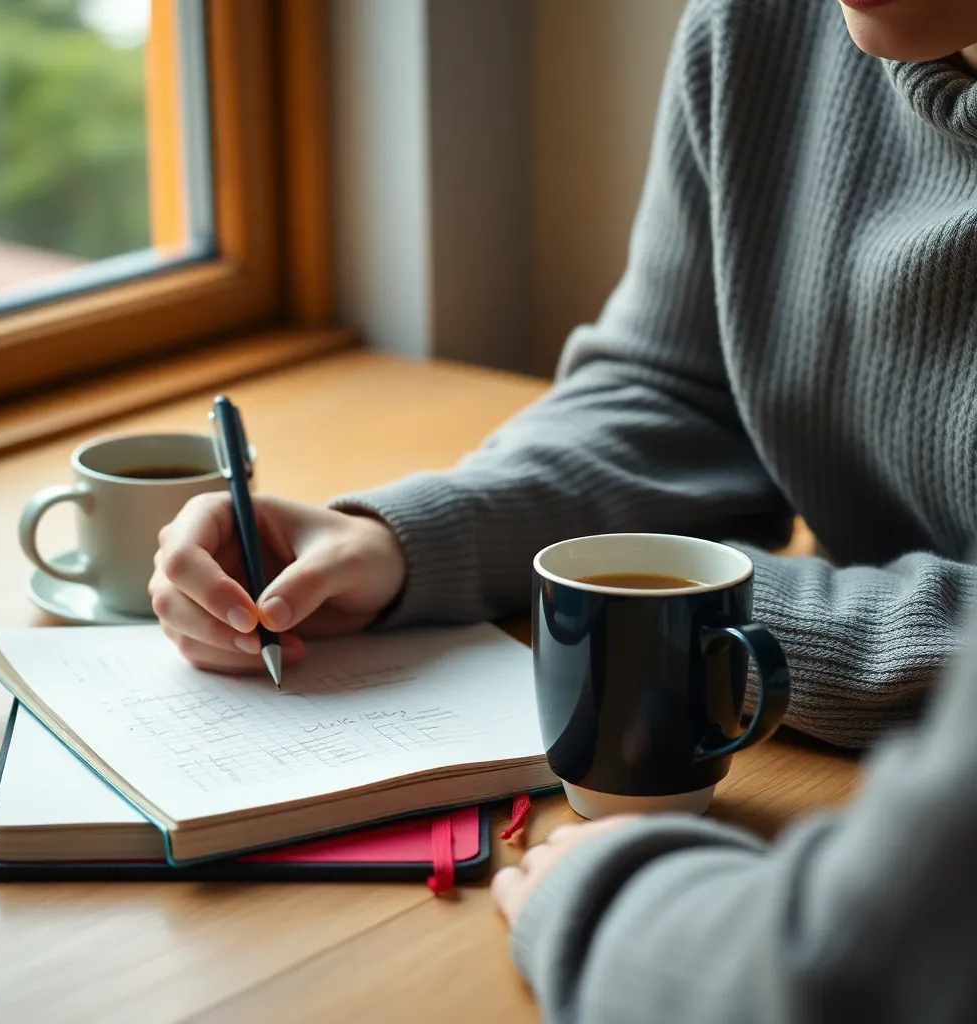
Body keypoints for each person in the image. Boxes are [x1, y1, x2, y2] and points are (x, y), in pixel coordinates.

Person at [149, 0, 977, 1017]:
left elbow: (861, 976)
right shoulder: (762, 27)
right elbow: (677, 389)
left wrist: (697, 632)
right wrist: (408, 539)